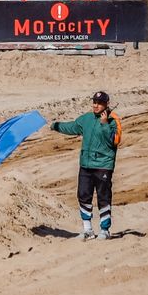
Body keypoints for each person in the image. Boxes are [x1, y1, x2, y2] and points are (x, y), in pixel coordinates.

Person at [51, 91, 122, 240]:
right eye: (94, 102)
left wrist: (104, 125)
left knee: (103, 197)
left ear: (106, 104)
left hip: (103, 165)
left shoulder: (113, 120)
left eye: (99, 103)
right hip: (86, 165)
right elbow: (72, 127)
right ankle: (87, 230)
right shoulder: (87, 118)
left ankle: (104, 230)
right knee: (83, 195)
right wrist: (56, 126)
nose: (96, 105)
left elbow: (114, 141)